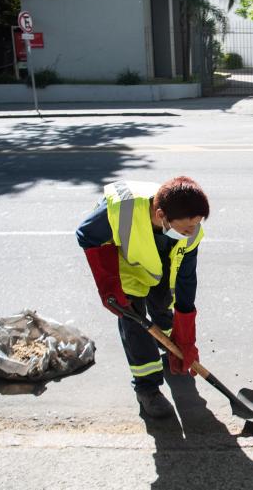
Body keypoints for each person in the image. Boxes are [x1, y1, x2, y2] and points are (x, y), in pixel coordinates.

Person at [76, 176, 209, 418]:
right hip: (124, 263)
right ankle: (147, 389)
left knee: (161, 305)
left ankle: (168, 345)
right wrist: (108, 286)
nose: (193, 232)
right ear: (161, 215)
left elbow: (186, 280)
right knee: (136, 322)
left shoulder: (189, 229)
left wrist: (186, 338)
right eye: (188, 227)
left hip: (158, 261)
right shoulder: (120, 211)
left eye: (197, 225)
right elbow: (86, 235)